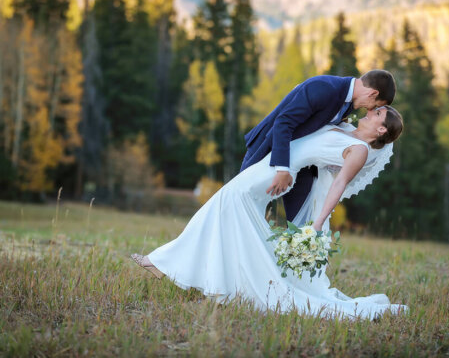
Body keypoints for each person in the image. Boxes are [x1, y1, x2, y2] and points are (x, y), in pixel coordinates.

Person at [131, 105, 407, 320]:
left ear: (382, 130)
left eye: (378, 113)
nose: (371, 112)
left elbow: (338, 184)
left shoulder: (358, 150)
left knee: (227, 201)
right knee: (228, 213)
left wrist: (319, 223)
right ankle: (206, 278)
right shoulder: (347, 130)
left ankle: (164, 263)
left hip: (278, 174)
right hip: (273, 164)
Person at [241, 70, 396, 223]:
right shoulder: (324, 87)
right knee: (242, 206)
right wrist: (282, 169)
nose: (369, 110)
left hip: (302, 168)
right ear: (373, 94)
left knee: (299, 227)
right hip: (270, 148)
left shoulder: (349, 103)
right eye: (375, 105)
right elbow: (283, 122)